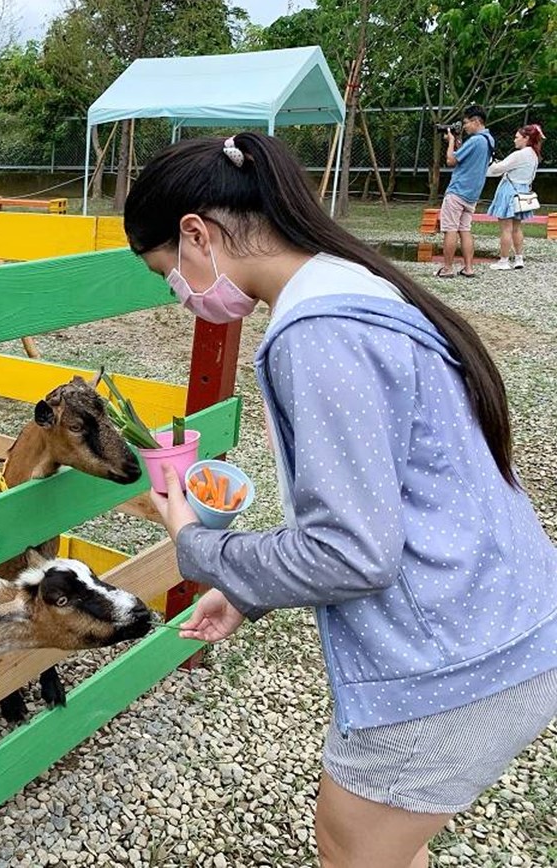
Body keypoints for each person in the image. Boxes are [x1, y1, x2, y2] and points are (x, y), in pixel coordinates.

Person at [124, 132, 557, 868]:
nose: (184, 295)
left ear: (197, 234)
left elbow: (351, 553)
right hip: (506, 620)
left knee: (352, 847)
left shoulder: (318, 333)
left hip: (450, 663)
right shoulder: (351, 286)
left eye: (171, 274)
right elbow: (377, 509)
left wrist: (196, 546)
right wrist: (247, 591)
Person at [438, 105, 494, 278]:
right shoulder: (488, 140)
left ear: (476, 121)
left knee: (450, 229)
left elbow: (451, 160)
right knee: (465, 230)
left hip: (458, 191)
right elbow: (467, 157)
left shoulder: (476, 140)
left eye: (466, 123)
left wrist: (451, 142)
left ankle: (447, 268)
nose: (465, 127)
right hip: (472, 194)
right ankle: (469, 268)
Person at [485, 124, 545, 270]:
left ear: (526, 138)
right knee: (517, 228)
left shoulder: (519, 154)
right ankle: (519, 259)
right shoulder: (534, 155)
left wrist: (489, 165)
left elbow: (498, 169)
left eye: (517, 137)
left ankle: (504, 261)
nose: (514, 140)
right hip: (522, 192)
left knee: (506, 228)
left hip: (509, 192)